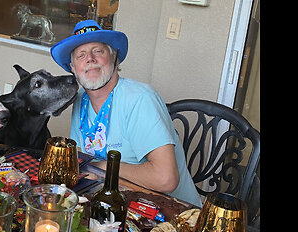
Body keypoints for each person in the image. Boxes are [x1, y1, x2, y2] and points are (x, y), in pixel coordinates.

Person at [50, 20, 202, 206]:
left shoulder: (140, 99)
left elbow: (166, 179)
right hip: (117, 203)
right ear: (73, 68)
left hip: (172, 212)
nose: (90, 58)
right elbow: (81, 161)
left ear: (115, 59)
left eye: (98, 51)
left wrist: (104, 167)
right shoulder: (80, 99)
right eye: (81, 55)